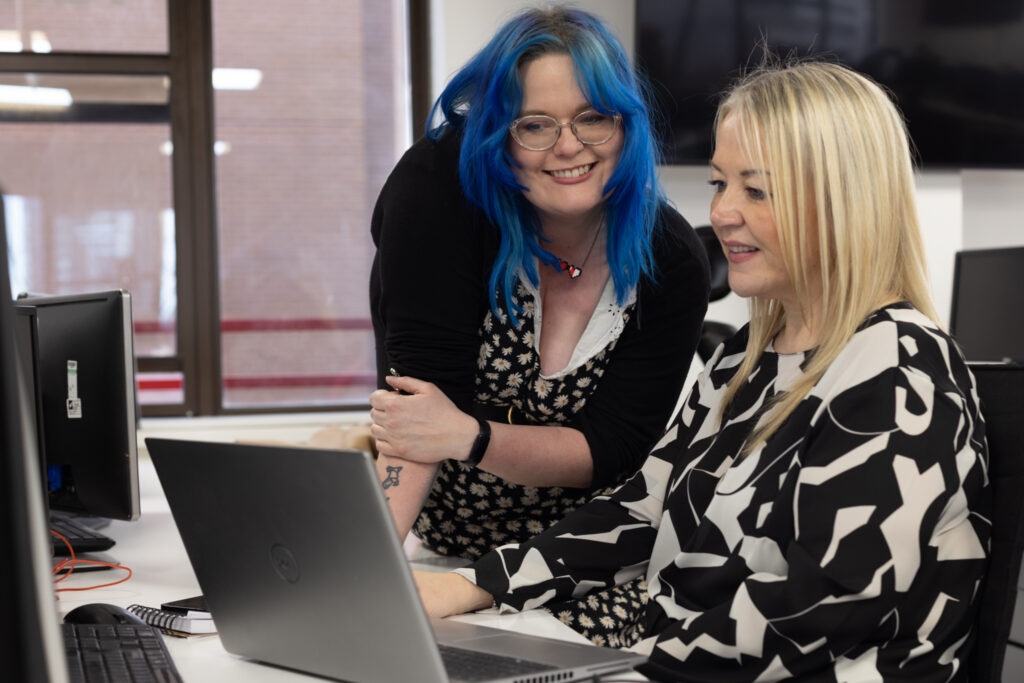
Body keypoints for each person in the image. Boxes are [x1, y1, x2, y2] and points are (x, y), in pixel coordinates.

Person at [413, 59, 992, 681]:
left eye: (756, 191)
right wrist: (476, 587)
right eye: (720, 184)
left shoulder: (900, 368)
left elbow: (823, 607)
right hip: (671, 650)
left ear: (844, 203)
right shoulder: (744, 357)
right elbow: (638, 513)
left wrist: (630, 669)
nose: (721, 213)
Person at [368, 4, 711, 566]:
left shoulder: (669, 258)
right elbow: (417, 412)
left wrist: (469, 437)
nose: (569, 146)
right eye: (534, 125)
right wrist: (369, 574)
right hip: (447, 544)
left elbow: (612, 447)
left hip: (587, 555)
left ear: (626, 126)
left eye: (593, 117)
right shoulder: (437, 193)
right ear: (497, 137)